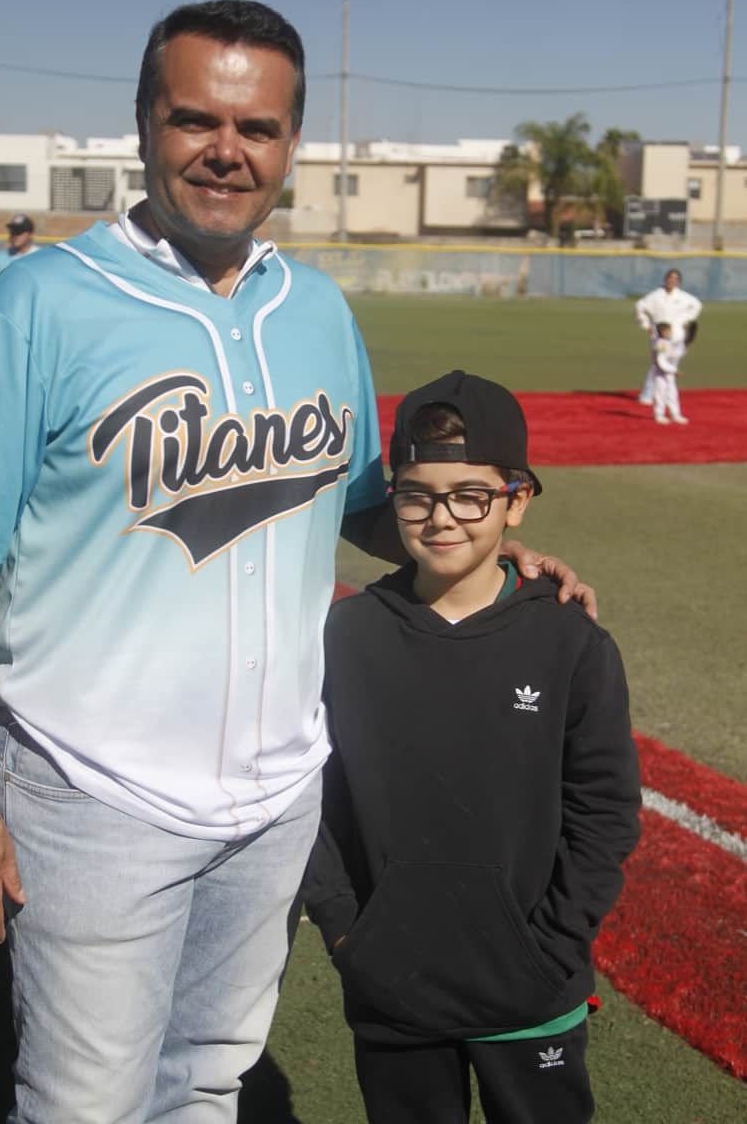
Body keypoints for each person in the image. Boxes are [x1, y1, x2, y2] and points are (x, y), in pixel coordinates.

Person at [0, 0, 594, 1124]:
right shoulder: (42, 302)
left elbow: (359, 501)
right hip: (90, 790)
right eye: (196, 119)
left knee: (208, 1081)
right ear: (143, 127)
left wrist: (489, 555)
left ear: (290, 147)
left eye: (258, 127)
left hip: (275, 797)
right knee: (84, 1105)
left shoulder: (314, 308)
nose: (227, 149)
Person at [302, 369, 641, 1124]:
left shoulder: (568, 641)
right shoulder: (346, 635)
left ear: (515, 500)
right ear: (393, 499)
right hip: (391, 980)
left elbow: (604, 810)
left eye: (470, 495)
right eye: (418, 494)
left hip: (531, 987)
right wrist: (345, 927)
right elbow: (310, 795)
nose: (441, 518)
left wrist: (552, 946)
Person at [635, 267, 701, 405]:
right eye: (670, 278)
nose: (672, 281)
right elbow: (639, 306)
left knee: (672, 365)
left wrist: (687, 320)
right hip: (659, 335)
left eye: (675, 279)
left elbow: (697, 305)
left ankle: (664, 395)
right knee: (659, 364)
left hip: (677, 335)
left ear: (679, 281)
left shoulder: (683, 297)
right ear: (666, 279)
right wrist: (646, 325)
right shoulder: (656, 295)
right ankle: (647, 395)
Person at [0, 213, 38, 287]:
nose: (15, 235)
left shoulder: (40, 258)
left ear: (30, 234)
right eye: (12, 231)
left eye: (19, 232)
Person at [650, 321, 688, 425]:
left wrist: (683, 347)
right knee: (660, 393)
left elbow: (673, 354)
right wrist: (674, 370)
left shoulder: (667, 342)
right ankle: (659, 415)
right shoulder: (660, 344)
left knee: (672, 393)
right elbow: (660, 361)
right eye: (668, 331)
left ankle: (675, 414)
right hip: (661, 373)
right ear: (663, 332)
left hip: (669, 372)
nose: (670, 332)